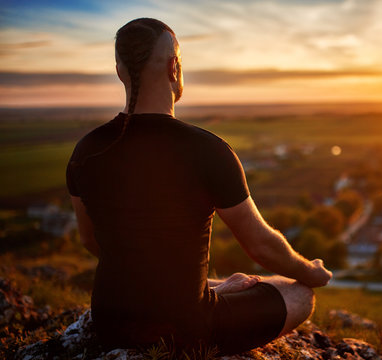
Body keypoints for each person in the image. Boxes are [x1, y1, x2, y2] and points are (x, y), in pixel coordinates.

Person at [66, 18, 332, 356]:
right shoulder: (207, 150)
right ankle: (217, 292)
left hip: (109, 321)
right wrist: (311, 270)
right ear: (174, 67)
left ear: (120, 70)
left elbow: (92, 241)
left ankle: (215, 287)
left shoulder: (87, 149)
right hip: (185, 327)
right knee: (299, 294)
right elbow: (261, 245)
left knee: (228, 283)